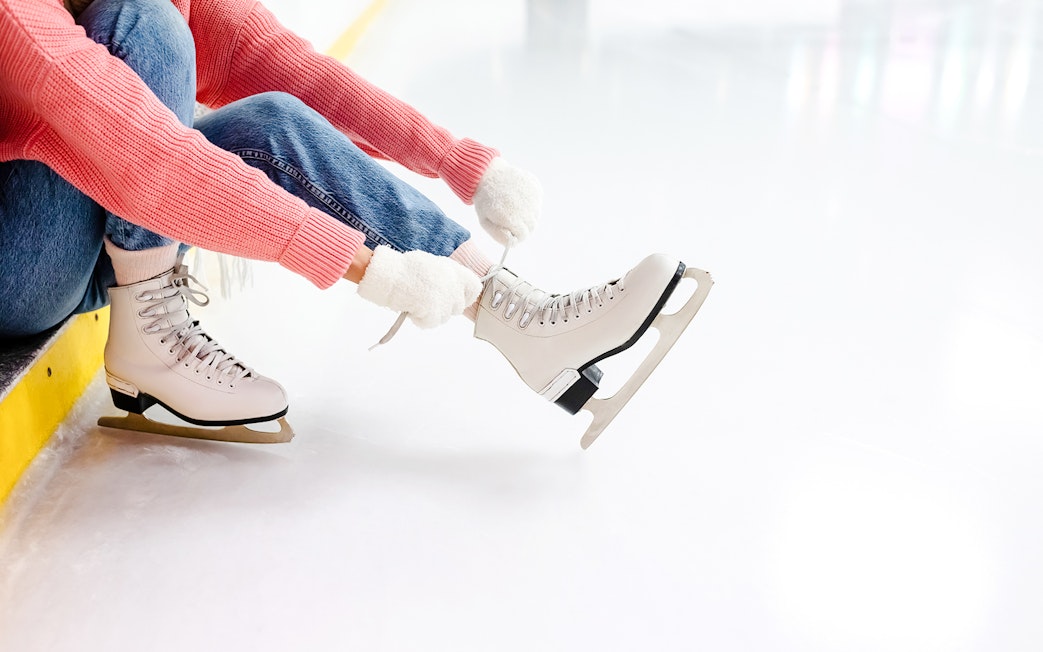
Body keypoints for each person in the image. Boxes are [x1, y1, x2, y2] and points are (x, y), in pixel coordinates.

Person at [0, 0, 711, 448]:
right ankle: (149, 339)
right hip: (14, 269)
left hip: (82, 240)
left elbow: (287, 69)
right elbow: (149, 158)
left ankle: (515, 315)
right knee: (142, 23)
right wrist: (369, 267)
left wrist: (461, 162)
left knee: (266, 118)